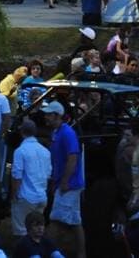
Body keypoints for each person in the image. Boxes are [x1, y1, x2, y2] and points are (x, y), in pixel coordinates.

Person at [43, 100, 84, 257]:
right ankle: (81, 254)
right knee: (75, 221)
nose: (45, 117)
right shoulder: (56, 133)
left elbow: (72, 158)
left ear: (56, 115)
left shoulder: (67, 133)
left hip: (69, 185)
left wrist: (65, 182)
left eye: (48, 114)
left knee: (56, 220)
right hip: (64, 184)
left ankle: (47, 252)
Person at [10, 118, 51, 238]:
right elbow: (48, 175)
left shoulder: (20, 151)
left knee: (22, 232)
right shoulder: (45, 151)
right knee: (37, 233)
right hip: (41, 197)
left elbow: (17, 176)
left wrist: (14, 194)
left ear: (22, 132)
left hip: (25, 197)